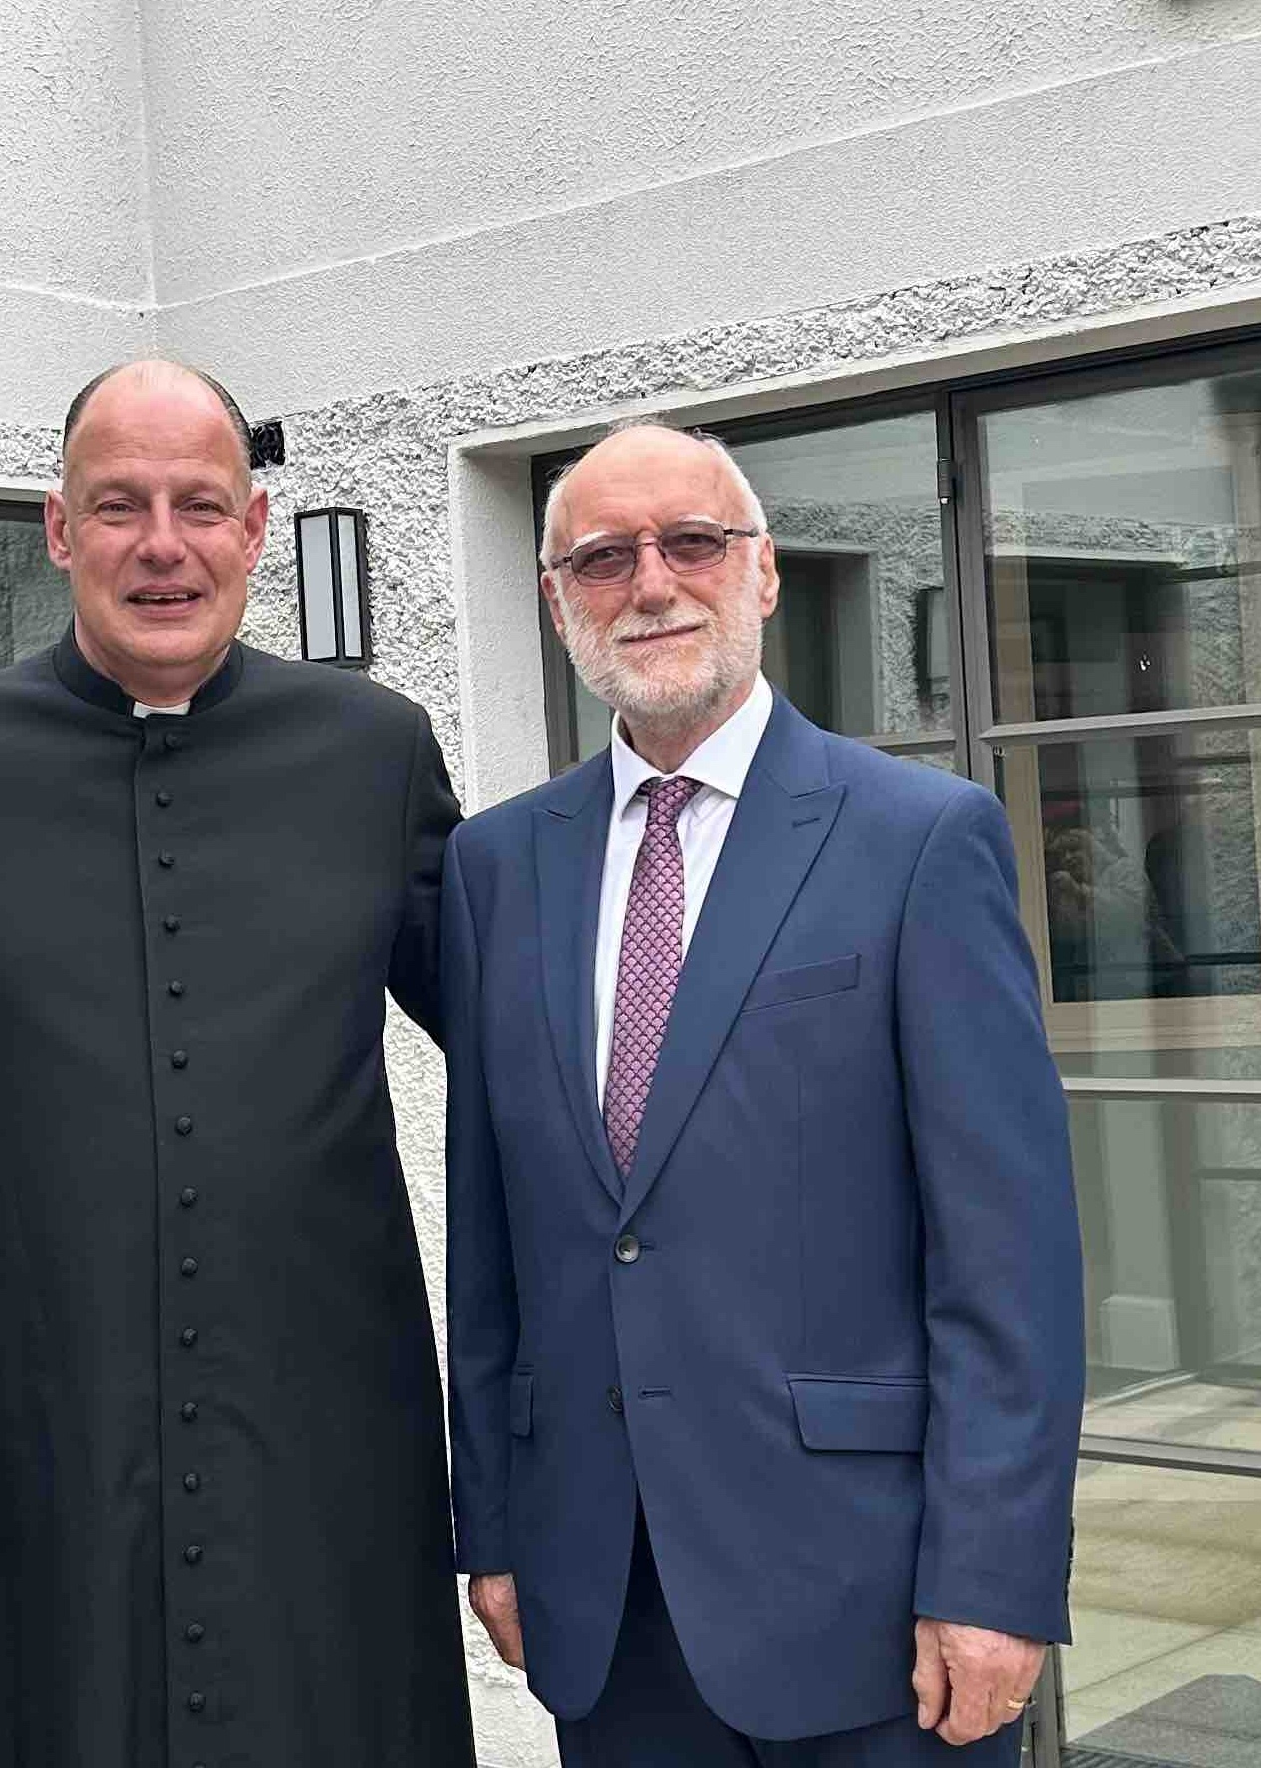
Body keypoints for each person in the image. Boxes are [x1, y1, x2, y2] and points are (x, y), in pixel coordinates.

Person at [0, 359, 475, 1767]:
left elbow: (532, 1048)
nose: (162, 545)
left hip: (321, 1443)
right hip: (32, 1444)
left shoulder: (375, 754)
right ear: (58, 530)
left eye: (200, 505)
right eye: (117, 505)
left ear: (255, 528)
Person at [442, 425, 1083, 1766]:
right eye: (604, 558)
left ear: (767, 572)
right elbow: (495, 1229)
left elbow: (1005, 1262)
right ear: (559, 599)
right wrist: (493, 1527)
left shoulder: (920, 840)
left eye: (692, 544)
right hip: (606, 1598)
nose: (653, 585)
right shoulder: (500, 867)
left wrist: (992, 1578)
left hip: (869, 1601)